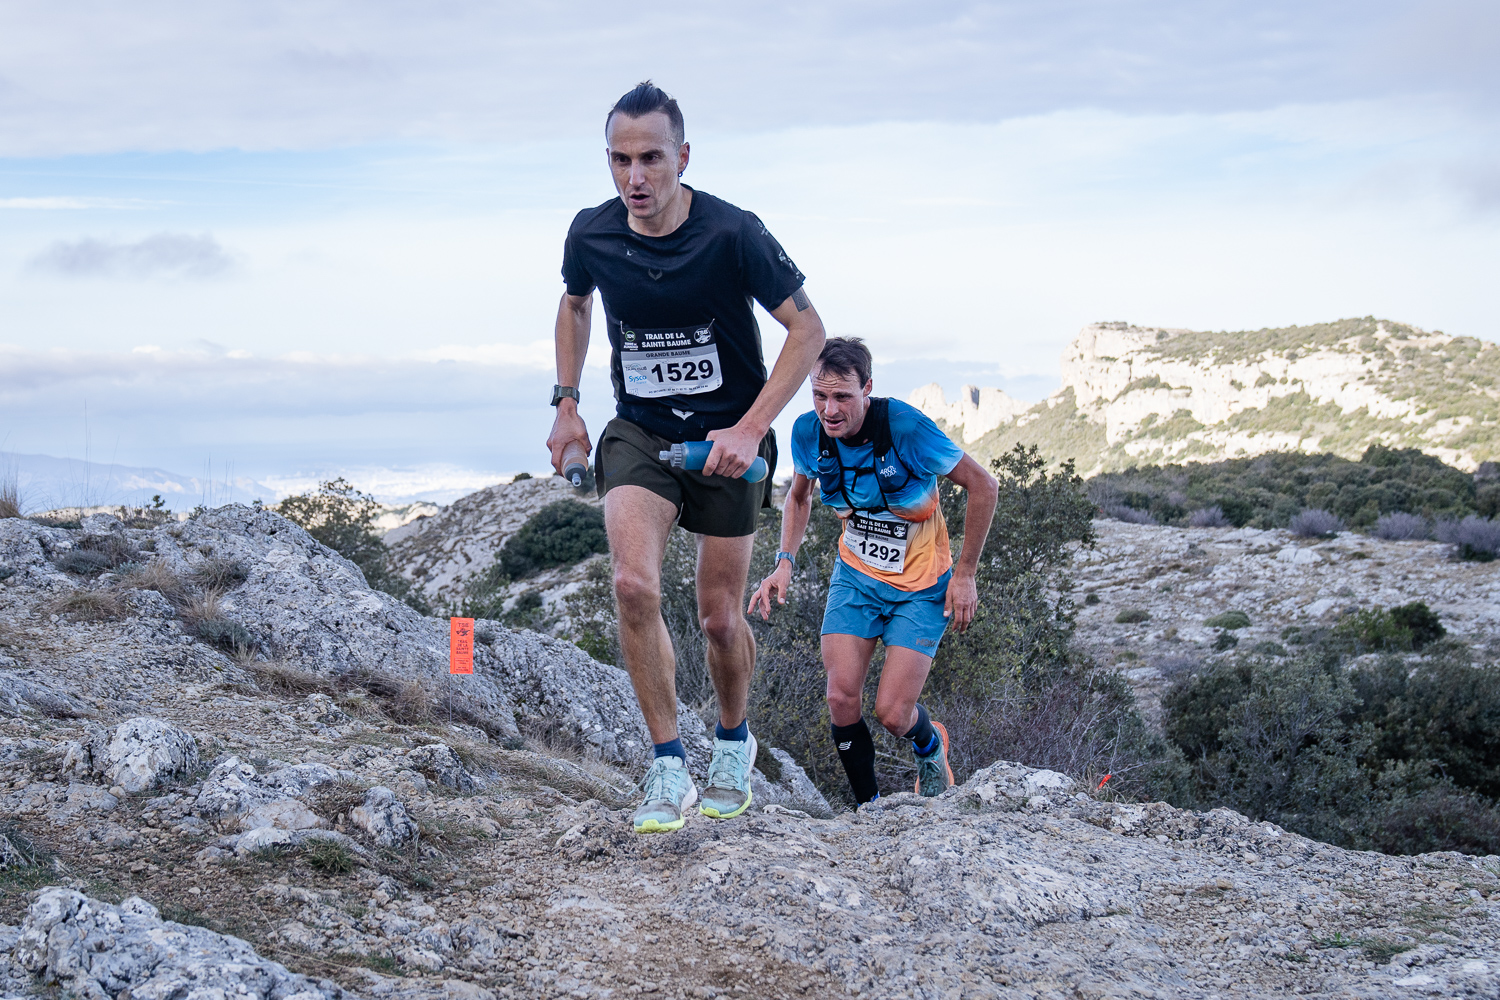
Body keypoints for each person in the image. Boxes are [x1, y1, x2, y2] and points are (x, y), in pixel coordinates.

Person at [546, 81, 825, 833]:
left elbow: (809, 333)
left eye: (651, 158)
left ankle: (733, 743)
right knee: (632, 584)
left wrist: (750, 429)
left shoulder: (734, 234)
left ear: (683, 156)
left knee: (719, 618)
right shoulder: (592, 233)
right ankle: (668, 764)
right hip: (640, 432)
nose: (634, 177)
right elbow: (575, 303)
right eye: (620, 159)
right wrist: (567, 401)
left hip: (730, 442)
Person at [748, 337, 998, 801]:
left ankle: (931, 744)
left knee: (893, 714)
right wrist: (784, 562)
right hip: (856, 578)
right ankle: (870, 808)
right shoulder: (808, 432)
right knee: (840, 697)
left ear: (867, 388)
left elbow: (984, 485)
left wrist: (965, 574)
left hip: (922, 587)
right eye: (819, 395)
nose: (829, 410)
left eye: (842, 396)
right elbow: (799, 497)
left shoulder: (906, 428)